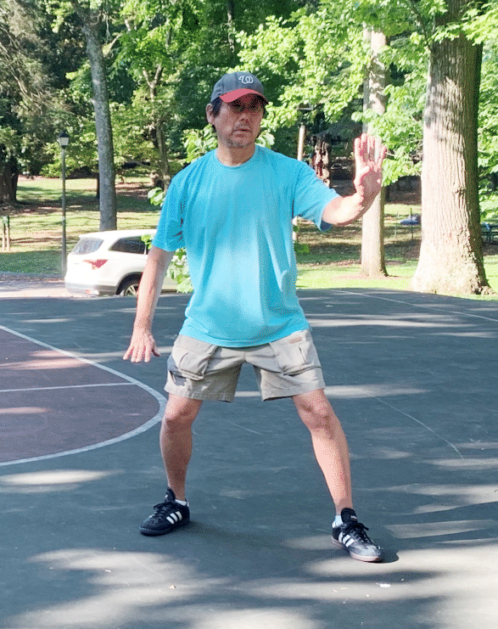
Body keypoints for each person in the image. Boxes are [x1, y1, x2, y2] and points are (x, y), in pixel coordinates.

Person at [123, 72, 386, 563]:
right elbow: (157, 257)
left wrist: (365, 193)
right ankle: (175, 500)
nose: (245, 116)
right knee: (176, 414)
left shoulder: (285, 173)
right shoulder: (188, 182)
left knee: (319, 414)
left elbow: (338, 210)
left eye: (254, 107)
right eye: (234, 106)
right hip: (207, 325)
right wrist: (142, 325)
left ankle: (346, 518)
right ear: (213, 114)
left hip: (278, 325)